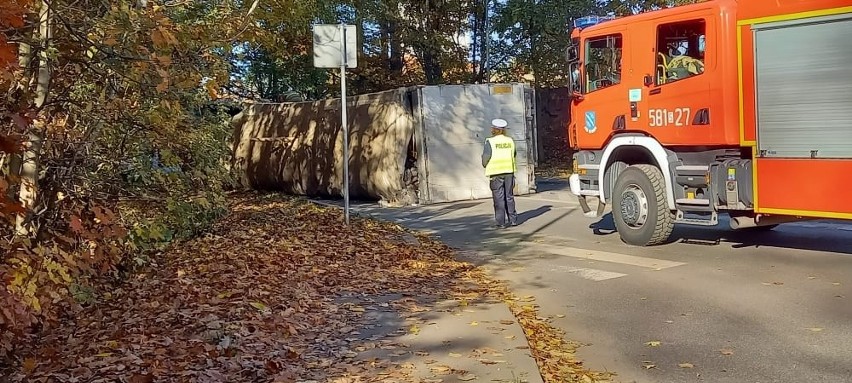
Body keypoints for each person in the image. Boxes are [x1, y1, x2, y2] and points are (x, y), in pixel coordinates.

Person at [481, 118, 518, 228]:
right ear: (503, 130)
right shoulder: (510, 141)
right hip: (509, 172)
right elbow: (514, 154)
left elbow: (485, 158)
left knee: (499, 198)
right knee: (509, 196)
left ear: (494, 129)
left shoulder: (490, 141)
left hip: (496, 173)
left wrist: (485, 164)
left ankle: (501, 222)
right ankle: (513, 220)